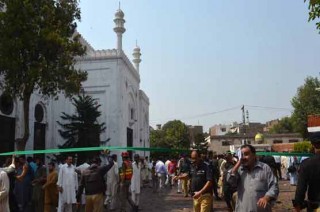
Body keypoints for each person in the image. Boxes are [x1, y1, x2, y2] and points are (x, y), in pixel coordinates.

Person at [227, 144, 279, 212]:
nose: (243, 158)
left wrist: (266, 197)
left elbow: (274, 186)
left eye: (246, 154)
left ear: (254, 155)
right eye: (241, 155)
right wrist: (238, 163)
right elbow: (230, 182)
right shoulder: (239, 170)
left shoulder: (265, 168)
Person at [293, 134, 320, 211]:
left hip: (315, 207)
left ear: (313, 145)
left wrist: (297, 204)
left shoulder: (307, 164)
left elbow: (301, 188)